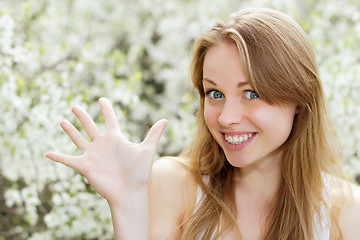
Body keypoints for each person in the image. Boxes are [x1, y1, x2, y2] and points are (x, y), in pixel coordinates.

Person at [46, 8, 360, 240]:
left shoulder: (346, 212)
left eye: (251, 93)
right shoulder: (171, 185)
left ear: (299, 100)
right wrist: (127, 205)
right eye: (215, 93)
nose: (226, 117)